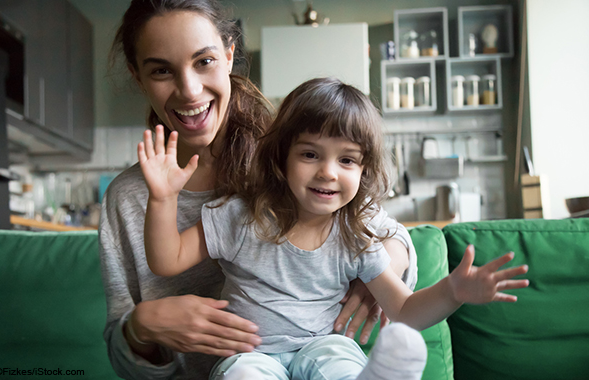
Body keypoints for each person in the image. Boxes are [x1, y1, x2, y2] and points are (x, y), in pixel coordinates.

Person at [99, 1, 416, 379]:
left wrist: (378, 269)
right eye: (162, 70)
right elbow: (125, 363)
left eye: (204, 61)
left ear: (230, 55)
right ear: (138, 77)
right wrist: (140, 326)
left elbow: (384, 233)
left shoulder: (289, 161)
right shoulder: (129, 199)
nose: (189, 89)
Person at [138, 77, 530, 380]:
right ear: (281, 159)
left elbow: (405, 310)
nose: (327, 171)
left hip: (322, 347)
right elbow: (166, 260)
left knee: (338, 366)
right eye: (310, 154)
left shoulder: (355, 235)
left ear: (363, 170)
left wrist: (453, 291)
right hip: (250, 355)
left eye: (347, 160)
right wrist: (162, 197)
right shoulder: (241, 216)